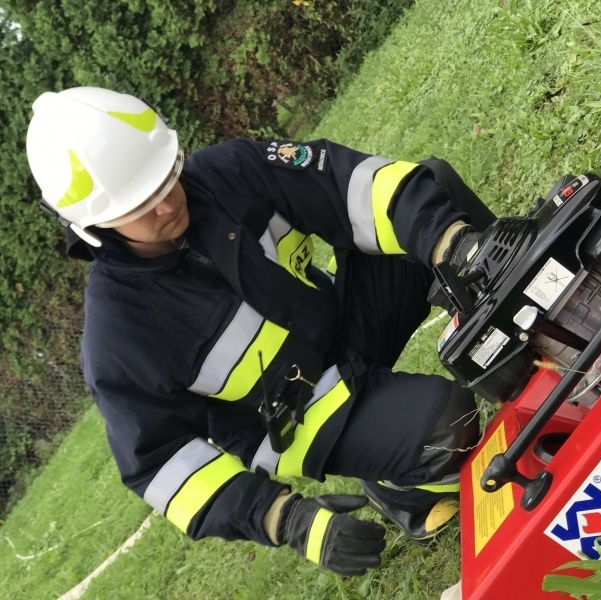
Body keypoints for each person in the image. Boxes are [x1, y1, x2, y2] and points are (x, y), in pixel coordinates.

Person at [25, 87, 497, 576]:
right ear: (94, 227)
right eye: (141, 205)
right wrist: (287, 519)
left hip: (341, 323)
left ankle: (529, 319)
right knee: (449, 428)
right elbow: (160, 465)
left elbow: (344, 186)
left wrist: (455, 245)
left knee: (429, 199)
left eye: (167, 178)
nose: (167, 204)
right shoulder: (118, 334)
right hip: (300, 414)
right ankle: (405, 490)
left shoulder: (229, 171)